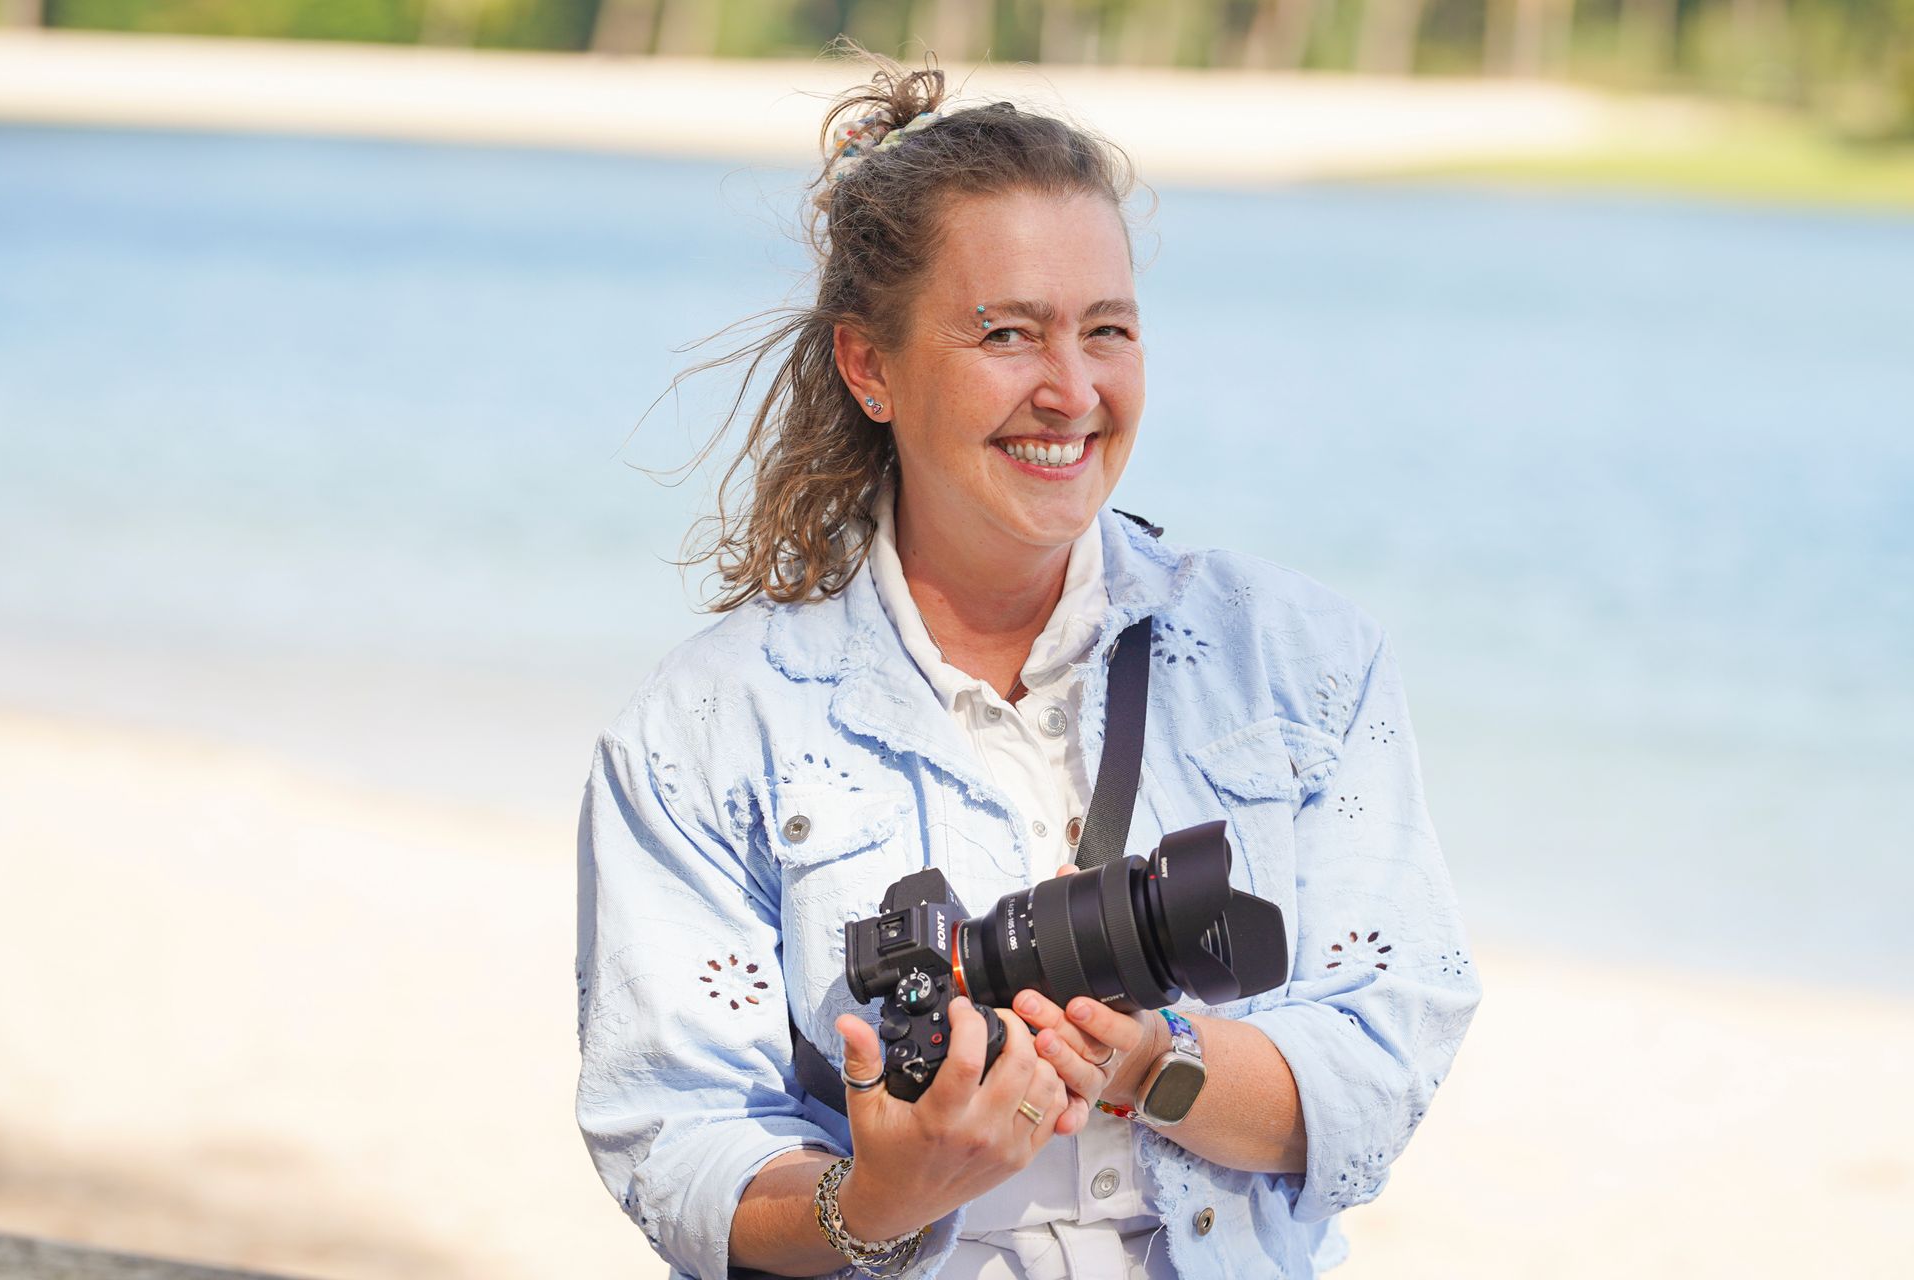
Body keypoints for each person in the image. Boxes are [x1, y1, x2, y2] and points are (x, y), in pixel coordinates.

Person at [575, 47, 1482, 1280]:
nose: (1071, 391)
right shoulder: (705, 732)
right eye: (1008, 333)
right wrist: (880, 1193)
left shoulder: (1302, 660)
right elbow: (677, 1146)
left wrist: (1152, 1058)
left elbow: (1386, 1055)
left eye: (1107, 331)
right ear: (869, 365)